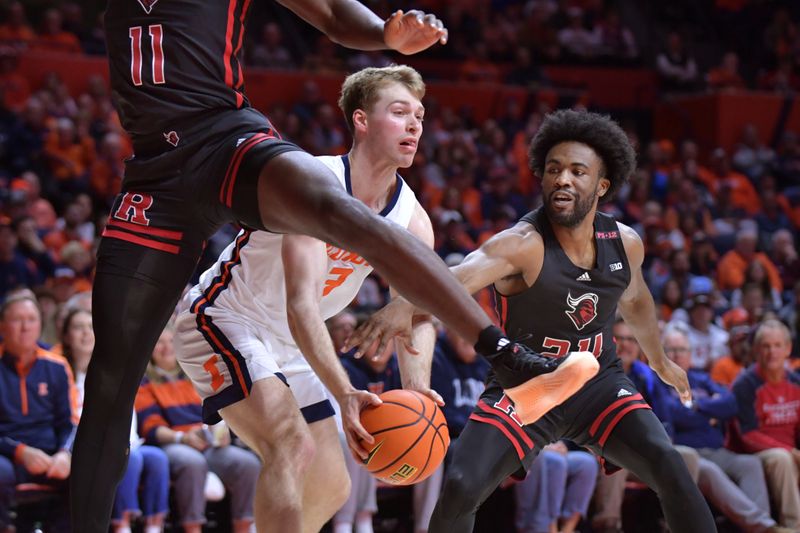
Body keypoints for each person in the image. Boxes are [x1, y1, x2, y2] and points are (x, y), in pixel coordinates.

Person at [73, 3, 589, 531]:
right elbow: (301, 306)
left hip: (227, 144)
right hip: (228, 316)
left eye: (420, 117)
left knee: (332, 482)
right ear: (362, 121)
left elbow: (414, 317)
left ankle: (507, 358)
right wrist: (343, 391)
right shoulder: (321, 174)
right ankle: (509, 358)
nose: (414, 125)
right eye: (400, 113)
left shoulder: (412, 217)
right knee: (145, 393)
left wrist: (416, 390)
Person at [345, 109, 716, 532]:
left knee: (670, 465)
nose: (563, 179)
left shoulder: (624, 243)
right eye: (554, 169)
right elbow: (452, 280)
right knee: (462, 485)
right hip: (527, 383)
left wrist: (659, 360)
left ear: (602, 185)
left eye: (578, 171)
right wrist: (401, 305)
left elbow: (636, 302)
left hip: (599, 383)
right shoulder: (521, 244)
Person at [661, 326, 790, 533]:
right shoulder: (658, 384)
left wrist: (697, 406)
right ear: (661, 354)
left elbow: (731, 404)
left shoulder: (701, 379)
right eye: (671, 350)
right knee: (710, 472)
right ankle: (766, 528)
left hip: (718, 451)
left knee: (751, 464)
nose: (677, 355)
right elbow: (673, 414)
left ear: (691, 355)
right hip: (689, 454)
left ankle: (757, 527)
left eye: (682, 350)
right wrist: (709, 411)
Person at [137, 325, 260, 533]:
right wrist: (182, 438)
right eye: (159, 342)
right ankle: (192, 527)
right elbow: (151, 427)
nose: (167, 347)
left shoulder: (195, 375)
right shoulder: (143, 382)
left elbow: (219, 413)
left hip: (206, 443)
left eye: (170, 341)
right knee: (191, 463)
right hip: (172, 443)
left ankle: (245, 526)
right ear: (149, 348)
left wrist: (222, 434)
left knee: (247, 464)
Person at [63, 308, 169, 533]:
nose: (85, 333)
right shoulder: (62, 374)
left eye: (90, 327)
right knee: (130, 458)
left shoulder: (113, 370)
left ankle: (154, 526)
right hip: (85, 446)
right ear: (66, 336)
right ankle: (122, 524)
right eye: (78, 327)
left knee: (158, 458)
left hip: (128, 443)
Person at [0, 293, 77, 532]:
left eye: (32, 319)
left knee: (90, 469)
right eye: (17, 320)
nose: (25, 327)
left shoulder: (57, 365)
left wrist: (65, 453)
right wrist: (21, 452)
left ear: (40, 325)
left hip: (51, 455)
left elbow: (69, 423)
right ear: (2, 326)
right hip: (8, 455)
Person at [731, 319, 800, 530]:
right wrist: (791, 451)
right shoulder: (744, 385)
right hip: (755, 454)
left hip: (791, 451)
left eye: (778, 346)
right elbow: (747, 435)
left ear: (788, 349)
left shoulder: (796, 382)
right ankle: (794, 526)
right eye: (766, 346)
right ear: (756, 351)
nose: (772, 352)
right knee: (782, 459)